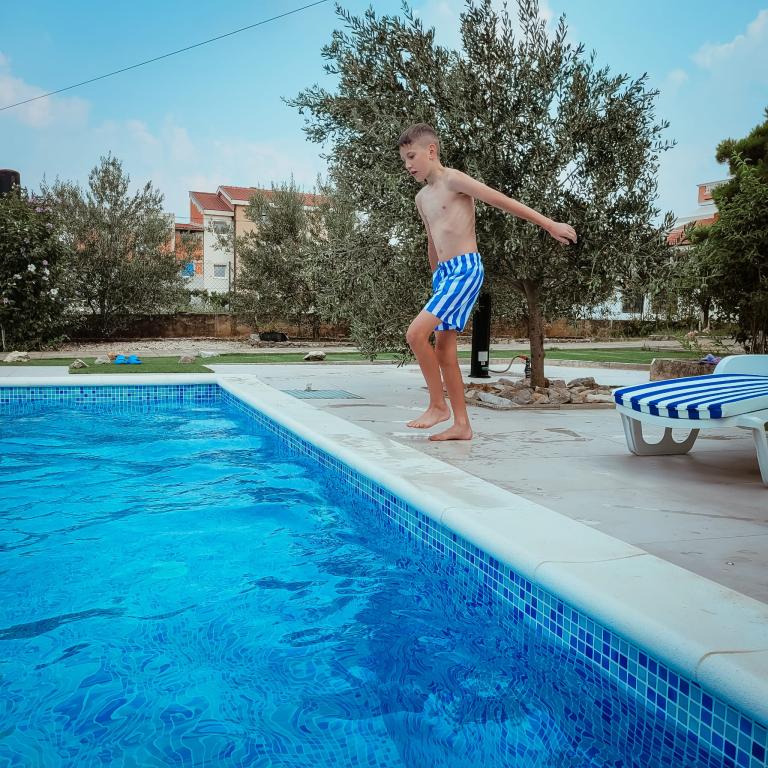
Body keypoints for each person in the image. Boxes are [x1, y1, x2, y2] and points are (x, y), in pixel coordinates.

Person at [398, 123, 577, 441]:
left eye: (412, 156)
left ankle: (438, 405)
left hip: (466, 270)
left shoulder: (453, 179)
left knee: (415, 334)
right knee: (444, 350)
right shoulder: (421, 198)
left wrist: (549, 224)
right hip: (444, 276)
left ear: (431, 151)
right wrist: (435, 278)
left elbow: (500, 200)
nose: (408, 165)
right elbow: (432, 241)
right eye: (404, 160)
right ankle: (462, 425)